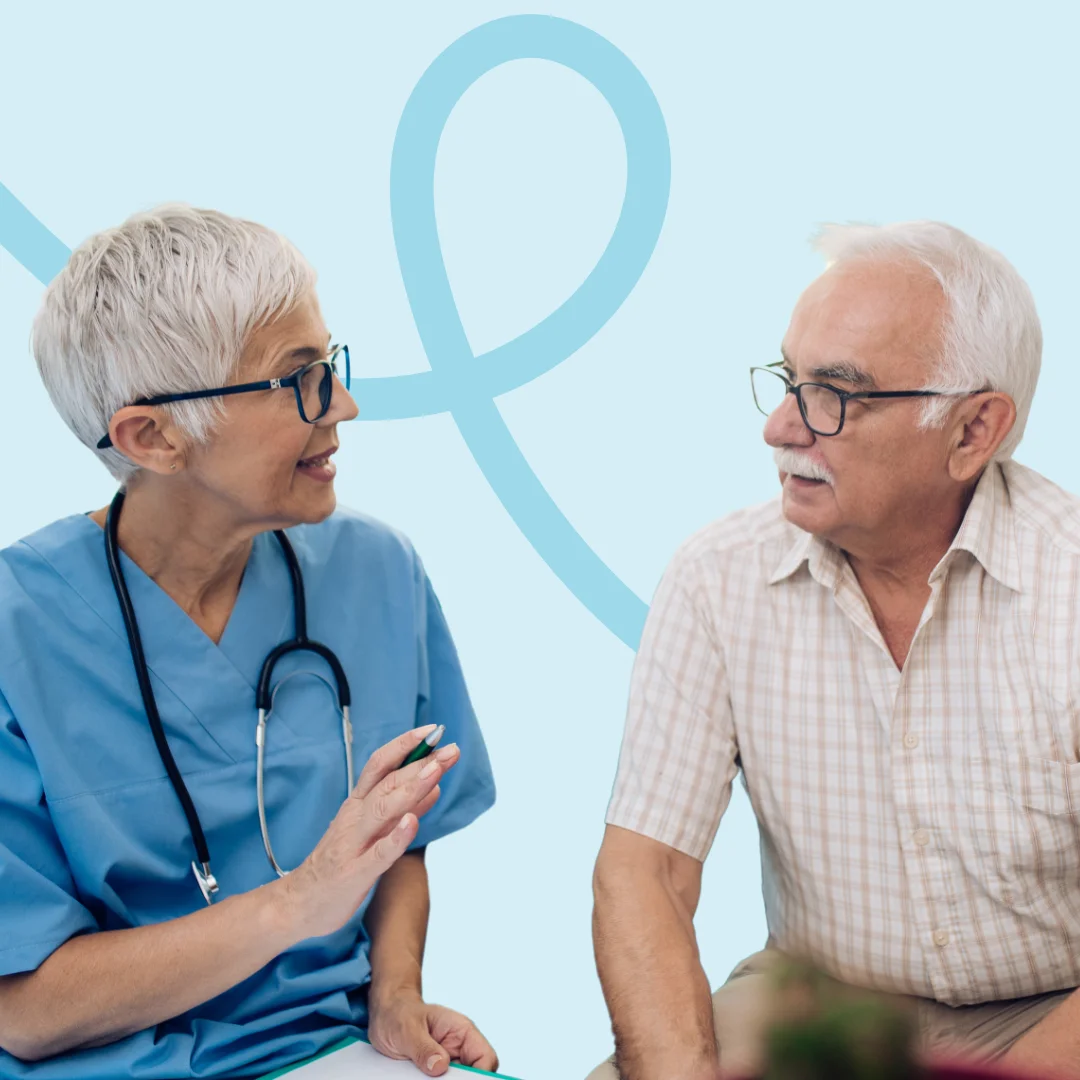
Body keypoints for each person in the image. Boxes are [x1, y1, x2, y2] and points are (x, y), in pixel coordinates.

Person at [0, 205, 498, 1079]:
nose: (341, 405)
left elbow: (400, 838)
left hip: (335, 1053)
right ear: (151, 437)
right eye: (299, 378)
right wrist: (300, 902)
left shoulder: (375, 573)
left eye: (330, 363)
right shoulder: (18, 630)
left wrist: (395, 997)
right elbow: (29, 1011)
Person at [589, 221, 1080, 1080]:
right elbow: (646, 876)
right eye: (788, 381)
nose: (781, 427)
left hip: (1058, 1011)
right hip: (818, 1009)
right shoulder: (717, 578)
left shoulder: (1066, 585)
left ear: (973, 431)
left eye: (835, 395)